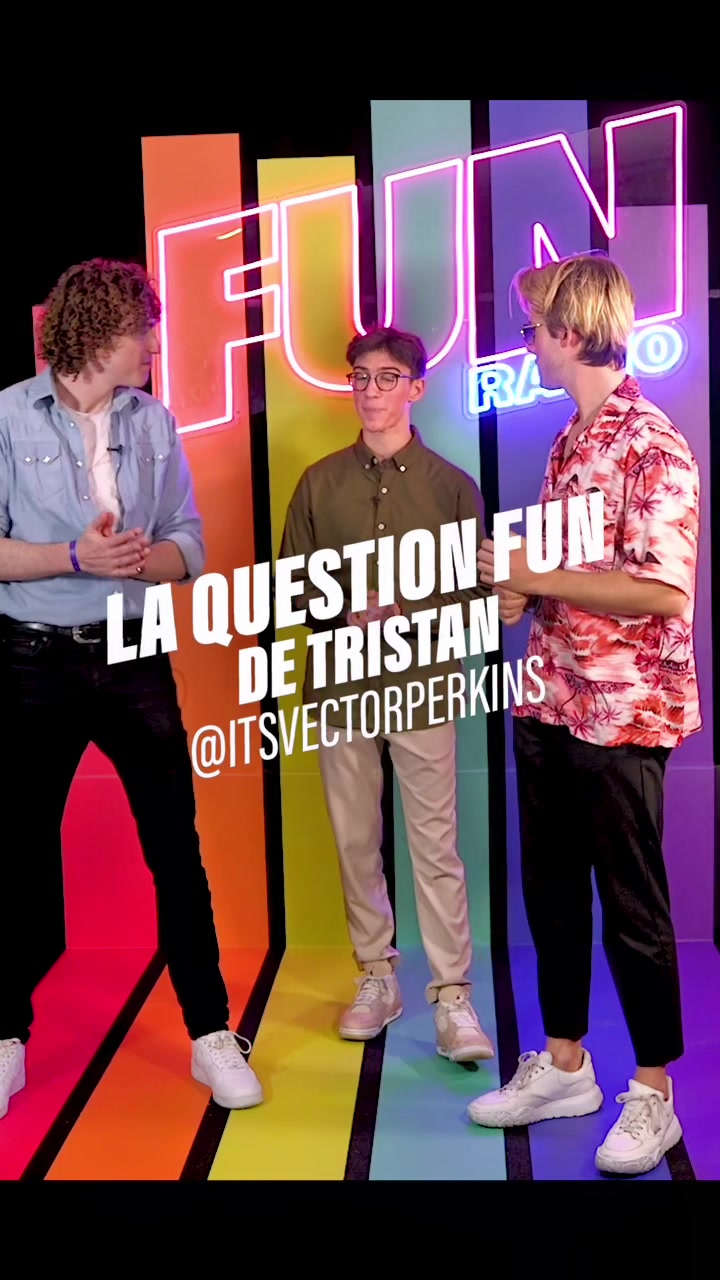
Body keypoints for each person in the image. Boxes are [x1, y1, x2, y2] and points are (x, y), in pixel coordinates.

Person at [0, 258, 262, 1121]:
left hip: (134, 653)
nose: (154, 346)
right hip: (30, 661)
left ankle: (211, 1033)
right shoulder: (6, 414)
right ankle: (5, 1037)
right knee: (17, 851)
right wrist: (75, 556)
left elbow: (189, 543)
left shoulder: (155, 421)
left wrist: (141, 560)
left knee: (175, 849)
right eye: (144, 330)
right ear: (102, 333)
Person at [470, 253, 700, 1177]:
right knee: (554, 893)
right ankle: (565, 1065)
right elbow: (572, 572)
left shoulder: (653, 442)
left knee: (633, 906)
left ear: (568, 333)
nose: (526, 343)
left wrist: (536, 575)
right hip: (551, 699)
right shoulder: (570, 439)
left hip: (626, 712)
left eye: (532, 329)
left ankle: (654, 1094)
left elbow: (665, 590)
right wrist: (523, 592)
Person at [279, 325, 494, 1063]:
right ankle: (377, 975)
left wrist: (410, 609)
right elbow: (290, 585)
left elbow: (476, 597)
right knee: (354, 838)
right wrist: (344, 609)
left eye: (387, 377)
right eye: (361, 378)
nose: (371, 391)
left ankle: (453, 994)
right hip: (341, 684)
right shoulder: (318, 483)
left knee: (435, 843)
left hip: (423, 685)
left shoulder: (452, 487)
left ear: (416, 388)